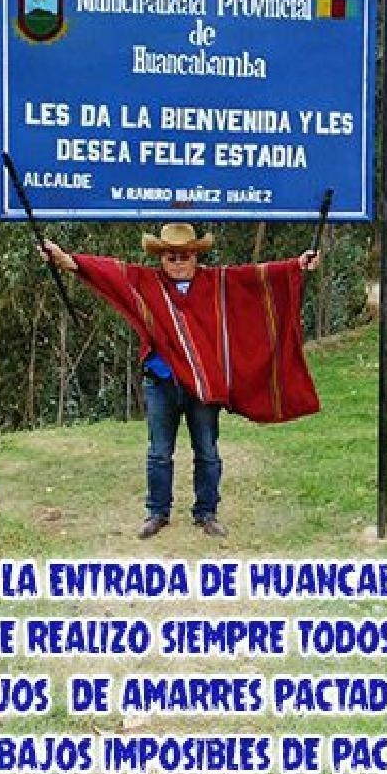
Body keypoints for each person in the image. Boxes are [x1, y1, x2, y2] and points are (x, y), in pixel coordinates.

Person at [40, 223, 320, 539]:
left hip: (203, 386)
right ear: (161, 258)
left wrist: (297, 265)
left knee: (207, 452)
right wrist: (65, 259)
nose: (177, 262)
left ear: (195, 256)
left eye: (184, 256)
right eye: (171, 257)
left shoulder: (217, 283)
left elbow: (256, 277)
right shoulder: (147, 283)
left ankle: (207, 513)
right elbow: (109, 271)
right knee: (159, 452)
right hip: (161, 384)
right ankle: (157, 513)